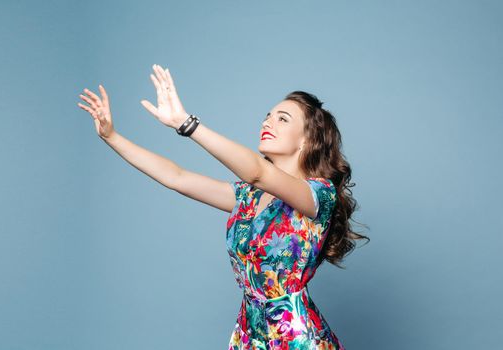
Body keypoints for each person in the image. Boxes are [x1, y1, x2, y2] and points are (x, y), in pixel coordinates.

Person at [77, 63, 369, 349]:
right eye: (267, 116)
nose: (267, 122)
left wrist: (186, 123)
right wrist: (112, 137)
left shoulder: (319, 195)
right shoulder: (248, 197)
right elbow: (176, 177)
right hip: (249, 336)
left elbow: (257, 171)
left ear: (307, 139)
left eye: (282, 119)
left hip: (296, 339)